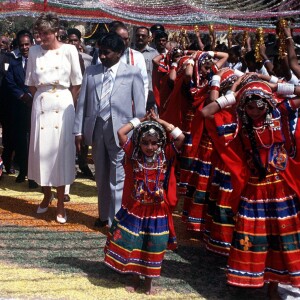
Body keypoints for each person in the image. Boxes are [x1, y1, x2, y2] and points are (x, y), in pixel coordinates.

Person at [201, 78, 300, 298]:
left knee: (279, 237)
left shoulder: (280, 113)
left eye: (259, 106)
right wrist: (234, 96)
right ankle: (251, 279)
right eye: (249, 106)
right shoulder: (239, 124)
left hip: (281, 189)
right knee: (254, 235)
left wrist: (277, 86)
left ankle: (273, 287)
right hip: (254, 190)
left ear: (268, 103)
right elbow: (206, 113)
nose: (255, 111)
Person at [104, 110, 184, 295]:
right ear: (139, 142)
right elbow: (121, 133)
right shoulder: (134, 155)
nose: (150, 147)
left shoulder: (165, 155)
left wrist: (159, 121)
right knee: (135, 243)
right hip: (136, 210)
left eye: (154, 143)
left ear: (160, 143)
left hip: (157, 211)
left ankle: (149, 282)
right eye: (145, 142)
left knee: (154, 244)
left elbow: (180, 137)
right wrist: (140, 120)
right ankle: (134, 278)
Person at [73, 32, 146, 228]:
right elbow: (82, 104)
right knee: (101, 175)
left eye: (106, 53)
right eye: (100, 52)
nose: (102, 56)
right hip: (96, 129)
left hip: (121, 133)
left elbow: (140, 112)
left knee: (118, 177)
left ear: (119, 53)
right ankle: (103, 215)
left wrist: (131, 132)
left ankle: (115, 221)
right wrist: (78, 131)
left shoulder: (132, 73)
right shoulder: (91, 72)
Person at [25, 12, 82, 224]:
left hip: (64, 102)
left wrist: (70, 105)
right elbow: (30, 81)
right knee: (41, 151)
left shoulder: (69, 50)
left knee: (61, 152)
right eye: (39, 33)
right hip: (42, 104)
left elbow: (77, 82)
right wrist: (41, 97)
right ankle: (46, 194)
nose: (42, 38)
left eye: (46, 33)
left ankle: (60, 202)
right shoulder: (33, 51)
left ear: (56, 32)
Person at [5, 30, 38, 188]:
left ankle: (34, 176)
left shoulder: (40, 59)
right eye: (21, 45)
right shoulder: (14, 61)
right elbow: (9, 82)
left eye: (27, 44)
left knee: (34, 141)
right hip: (20, 107)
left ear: (32, 44)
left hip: (37, 106)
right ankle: (23, 170)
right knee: (21, 142)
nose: (25, 47)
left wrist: (33, 97)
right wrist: (22, 96)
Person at [134, 26, 158, 111]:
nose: (140, 38)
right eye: (138, 35)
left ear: (148, 38)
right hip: (131, 94)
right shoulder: (129, 53)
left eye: (143, 36)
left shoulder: (154, 54)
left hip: (149, 94)